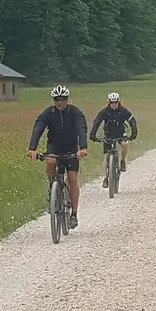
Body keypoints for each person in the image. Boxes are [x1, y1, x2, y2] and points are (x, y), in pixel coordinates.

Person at [28, 85, 87, 228]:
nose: (60, 102)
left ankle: (73, 213)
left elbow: (81, 129)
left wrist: (83, 148)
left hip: (71, 147)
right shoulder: (49, 113)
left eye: (63, 99)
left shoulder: (75, 112)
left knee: (72, 178)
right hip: (54, 146)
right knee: (50, 162)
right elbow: (38, 128)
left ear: (67, 99)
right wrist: (32, 148)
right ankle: (52, 189)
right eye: (57, 100)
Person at [91, 91, 138, 172]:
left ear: (118, 102)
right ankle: (106, 176)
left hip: (120, 133)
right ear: (109, 102)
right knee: (106, 157)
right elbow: (97, 122)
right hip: (109, 134)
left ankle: (122, 161)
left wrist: (134, 133)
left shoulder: (123, 111)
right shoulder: (105, 112)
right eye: (112, 102)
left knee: (125, 144)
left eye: (116, 102)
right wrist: (93, 134)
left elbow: (132, 121)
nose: (114, 104)